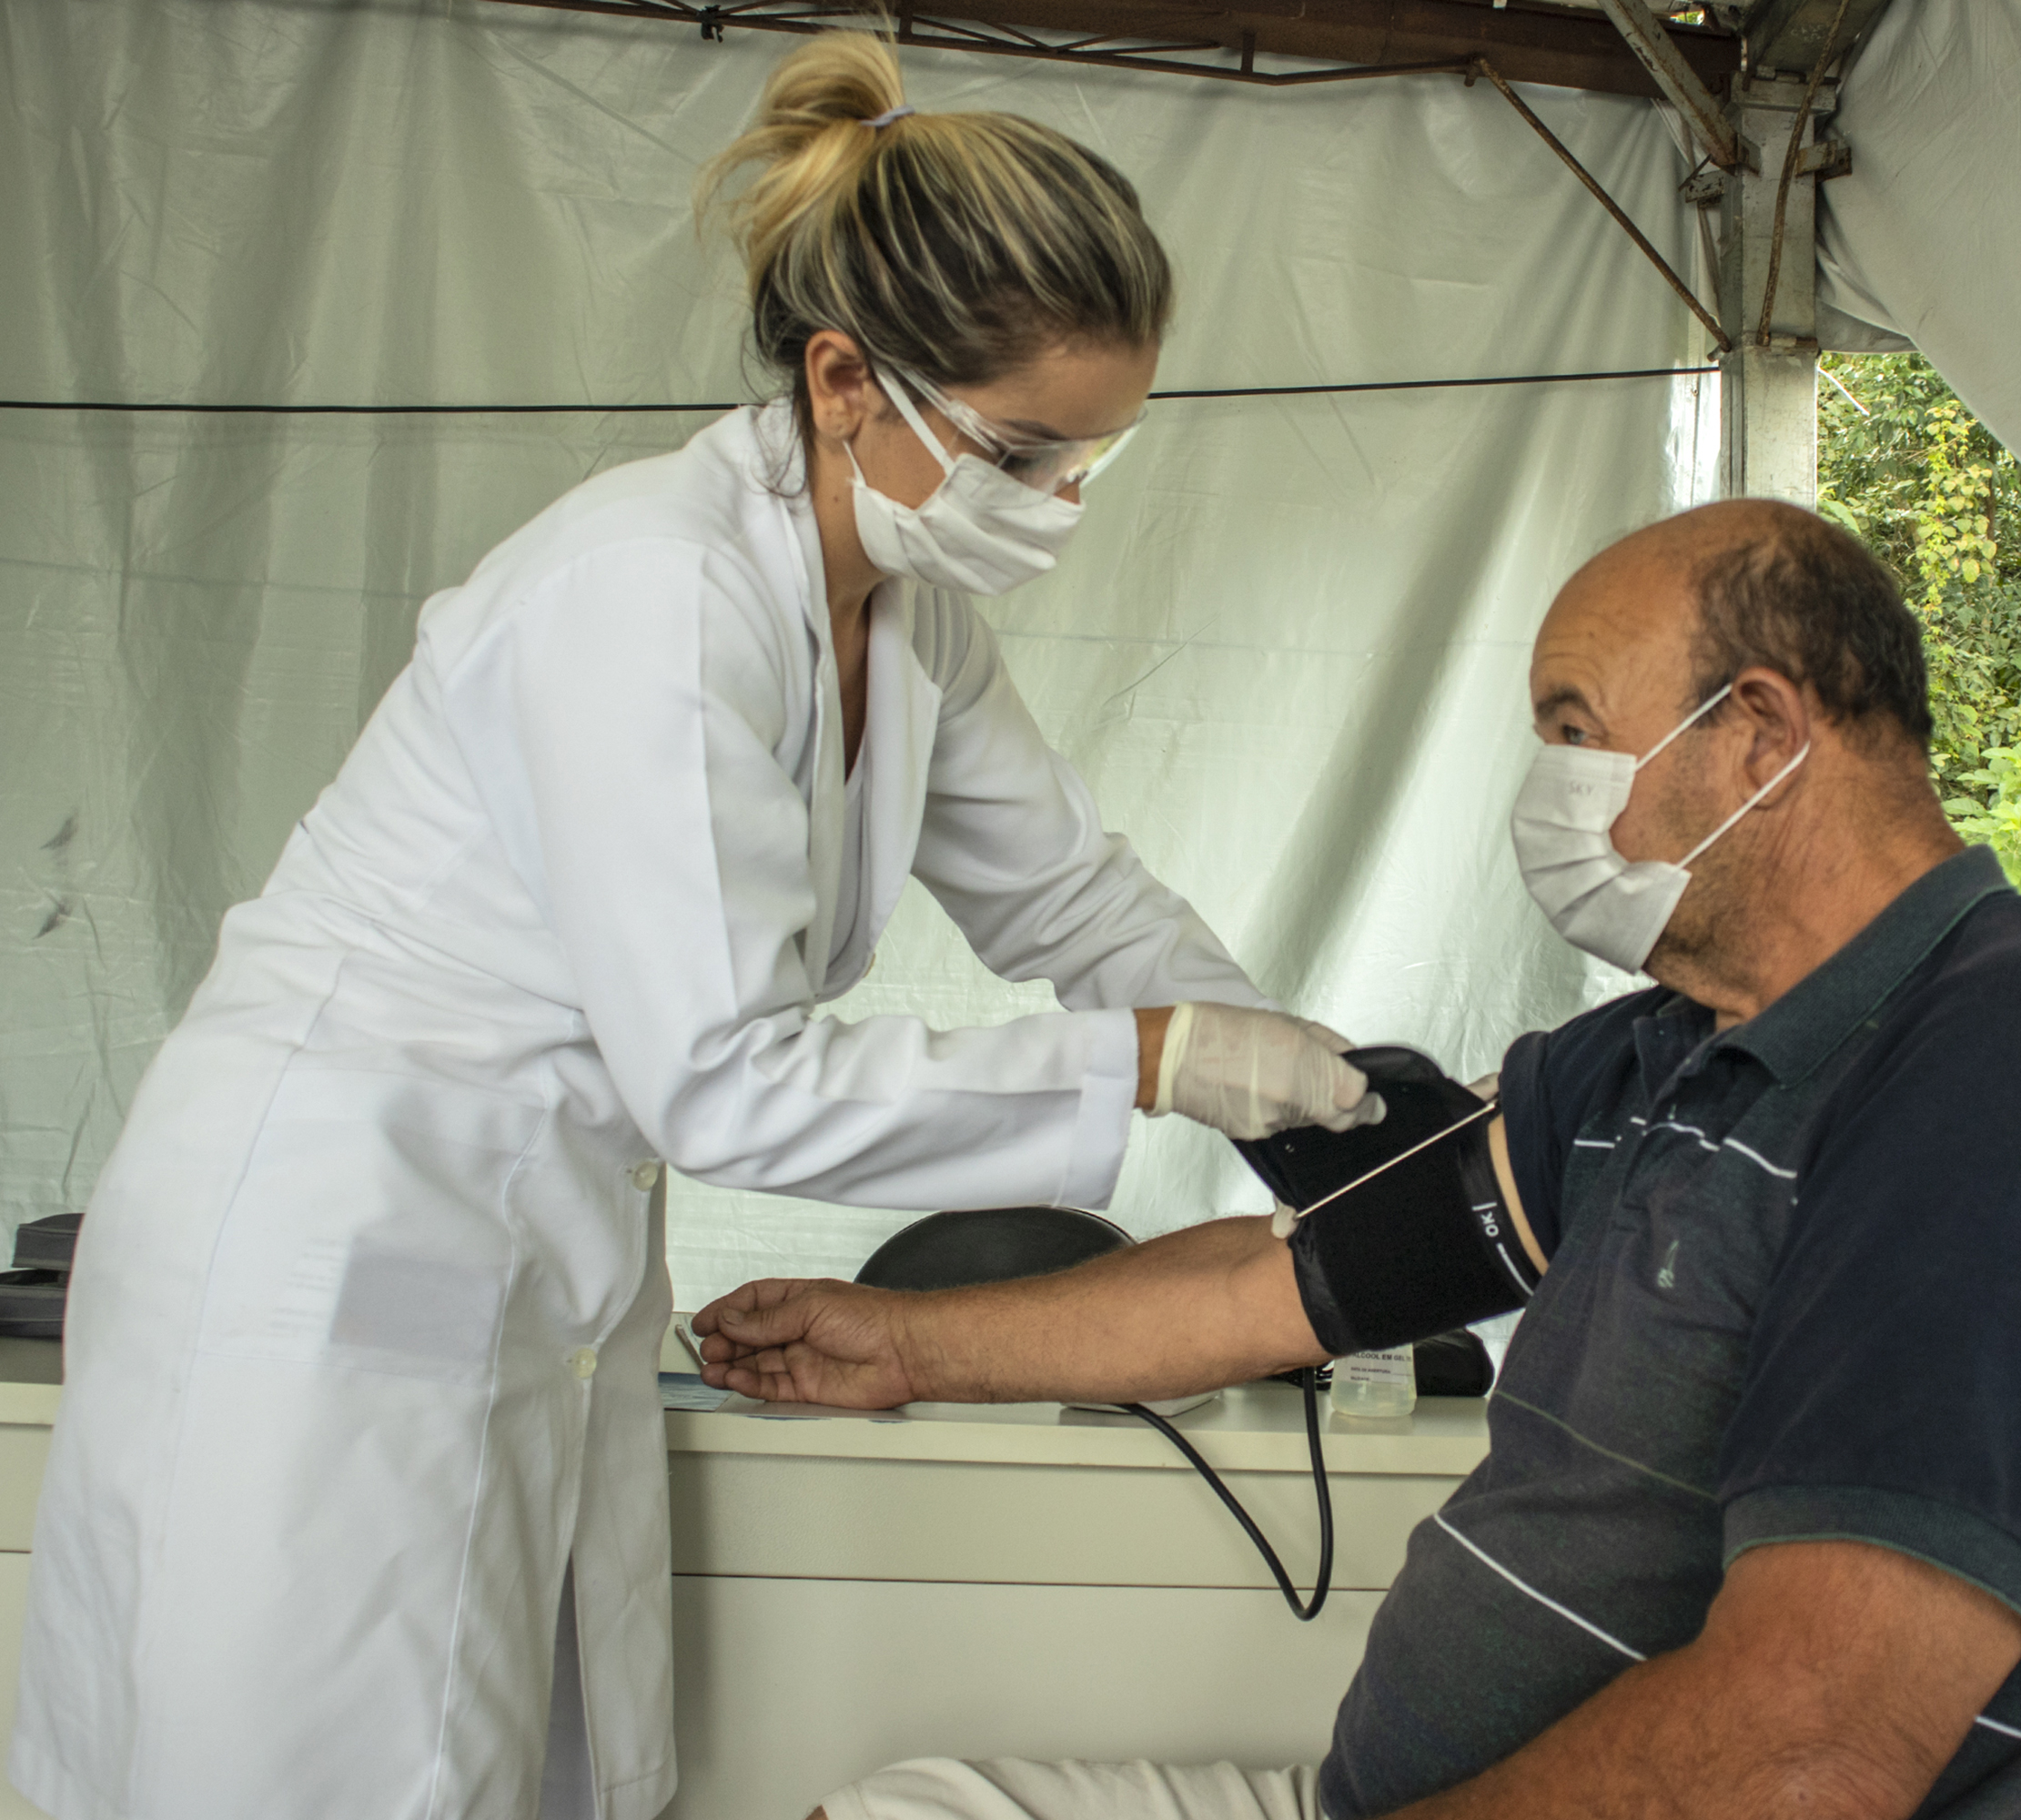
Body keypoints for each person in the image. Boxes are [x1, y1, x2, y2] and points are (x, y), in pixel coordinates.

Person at [11, 35, 1381, 1820]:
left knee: (511, 1762)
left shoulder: (904, 612)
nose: (1055, 508)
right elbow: (726, 1085)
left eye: (1089, 465)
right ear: (842, 380)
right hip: (324, 1253)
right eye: (1028, 453)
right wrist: (1154, 1065)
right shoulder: (648, 596)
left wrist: (1305, 1072)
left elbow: (1069, 893)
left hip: (519, 1257)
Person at [693, 500, 2021, 1820]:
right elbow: (1278, 1286)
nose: (1549, 793)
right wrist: (897, 1344)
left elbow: (1807, 1748)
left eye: (1578, 734)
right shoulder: (1666, 1051)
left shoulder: (2011, 1081)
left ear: (1762, 738)